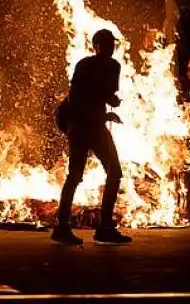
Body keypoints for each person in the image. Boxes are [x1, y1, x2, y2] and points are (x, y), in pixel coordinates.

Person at [51, 29, 131, 245]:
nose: (110, 47)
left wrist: (110, 106)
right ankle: (66, 227)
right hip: (83, 125)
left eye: (111, 44)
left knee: (111, 172)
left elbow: (104, 95)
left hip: (92, 124)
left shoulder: (113, 66)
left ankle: (101, 227)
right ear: (95, 45)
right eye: (105, 43)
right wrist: (105, 110)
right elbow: (77, 97)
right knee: (80, 175)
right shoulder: (86, 65)